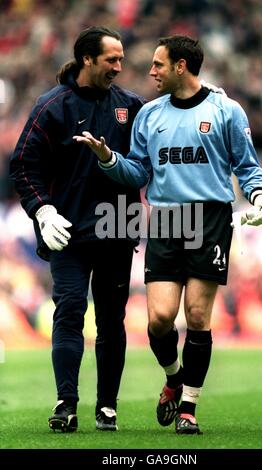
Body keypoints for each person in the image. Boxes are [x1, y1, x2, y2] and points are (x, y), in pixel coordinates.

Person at [73, 34, 262, 435]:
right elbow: (138, 172)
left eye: (158, 65)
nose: (151, 71)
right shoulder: (150, 116)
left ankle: (188, 407)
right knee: (158, 320)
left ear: (180, 67)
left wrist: (260, 196)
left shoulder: (227, 110)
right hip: (168, 220)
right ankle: (173, 377)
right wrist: (108, 159)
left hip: (210, 219)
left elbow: (247, 165)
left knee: (198, 316)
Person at [9, 26, 147, 433]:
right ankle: (65, 403)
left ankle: (107, 407)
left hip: (119, 227)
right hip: (67, 230)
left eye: (121, 59)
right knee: (69, 312)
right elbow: (22, 164)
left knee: (111, 319)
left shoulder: (132, 106)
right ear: (88, 59)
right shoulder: (53, 106)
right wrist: (42, 210)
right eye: (112, 60)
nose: (119, 67)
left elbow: (156, 147)